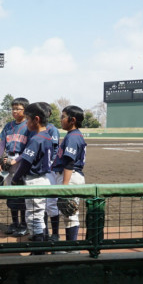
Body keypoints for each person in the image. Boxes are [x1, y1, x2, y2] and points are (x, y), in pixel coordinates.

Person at [10, 103, 53, 254]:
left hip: (35, 180)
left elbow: (25, 163)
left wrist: (15, 179)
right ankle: (41, 247)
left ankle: (38, 251)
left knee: (34, 217)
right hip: (42, 178)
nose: (26, 122)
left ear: (36, 119)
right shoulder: (46, 135)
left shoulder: (36, 139)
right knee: (38, 216)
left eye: (28, 119)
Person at [0, 97, 31, 236]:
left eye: (18, 108)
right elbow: (2, 143)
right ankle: (14, 222)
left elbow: (29, 148)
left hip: (22, 161)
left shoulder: (29, 126)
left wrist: (18, 160)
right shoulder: (8, 126)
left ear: (25, 110)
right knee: (11, 194)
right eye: (13, 108)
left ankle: (23, 223)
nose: (14, 111)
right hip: (8, 159)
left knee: (22, 193)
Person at [51, 105, 87, 245]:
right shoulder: (73, 135)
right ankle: (70, 246)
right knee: (68, 214)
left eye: (63, 116)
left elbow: (70, 163)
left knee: (70, 215)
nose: (61, 119)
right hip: (70, 176)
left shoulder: (73, 137)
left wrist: (64, 188)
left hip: (70, 177)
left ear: (72, 120)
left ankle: (72, 247)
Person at [39, 102, 61, 241]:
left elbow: (54, 151)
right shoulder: (35, 129)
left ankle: (55, 233)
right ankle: (44, 233)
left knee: (51, 203)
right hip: (39, 171)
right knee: (41, 203)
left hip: (50, 170)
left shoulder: (52, 129)